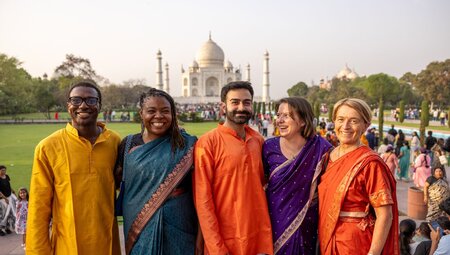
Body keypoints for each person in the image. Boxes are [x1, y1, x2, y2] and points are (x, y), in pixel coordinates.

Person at [27, 80, 121, 254]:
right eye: (76, 100)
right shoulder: (48, 147)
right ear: (68, 105)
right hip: (68, 246)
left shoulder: (114, 142)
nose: (83, 105)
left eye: (91, 100)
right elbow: (38, 209)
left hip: (106, 244)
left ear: (99, 105)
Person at [115, 88, 199, 254]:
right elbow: (118, 181)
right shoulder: (129, 145)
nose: (158, 116)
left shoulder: (187, 145)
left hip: (180, 224)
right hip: (138, 225)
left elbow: (200, 193)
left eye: (165, 111)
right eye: (151, 111)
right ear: (141, 114)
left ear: (173, 114)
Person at [193, 81, 273, 255]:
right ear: (223, 106)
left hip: (257, 236)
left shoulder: (257, 140)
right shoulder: (208, 143)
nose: (241, 107)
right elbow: (203, 200)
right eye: (235, 102)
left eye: (246, 102)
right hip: (225, 239)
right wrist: (216, 248)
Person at [318, 98, 399, 255]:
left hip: (355, 243)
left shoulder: (370, 163)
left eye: (353, 121)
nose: (345, 126)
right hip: (326, 236)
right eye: (340, 119)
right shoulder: (328, 156)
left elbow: (385, 215)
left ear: (366, 125)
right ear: (334, 121)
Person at [262, 97, 331, 254]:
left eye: (286, 115)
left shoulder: (322, 149)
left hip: (307, 225)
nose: (280, 120)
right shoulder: (268, 147)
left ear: (303, 121)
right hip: (275, 220)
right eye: (278, 115)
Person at [0, 165, 17, 236]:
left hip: (9, 196)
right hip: (2, 199)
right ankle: (1, 229)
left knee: (9, 213)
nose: (4, 172)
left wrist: (13, 191)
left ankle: (7, 228)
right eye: (2, 170)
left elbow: (9, 185)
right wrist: (5, 198)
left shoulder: (6, 176)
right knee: (3, 214)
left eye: (5, 170)